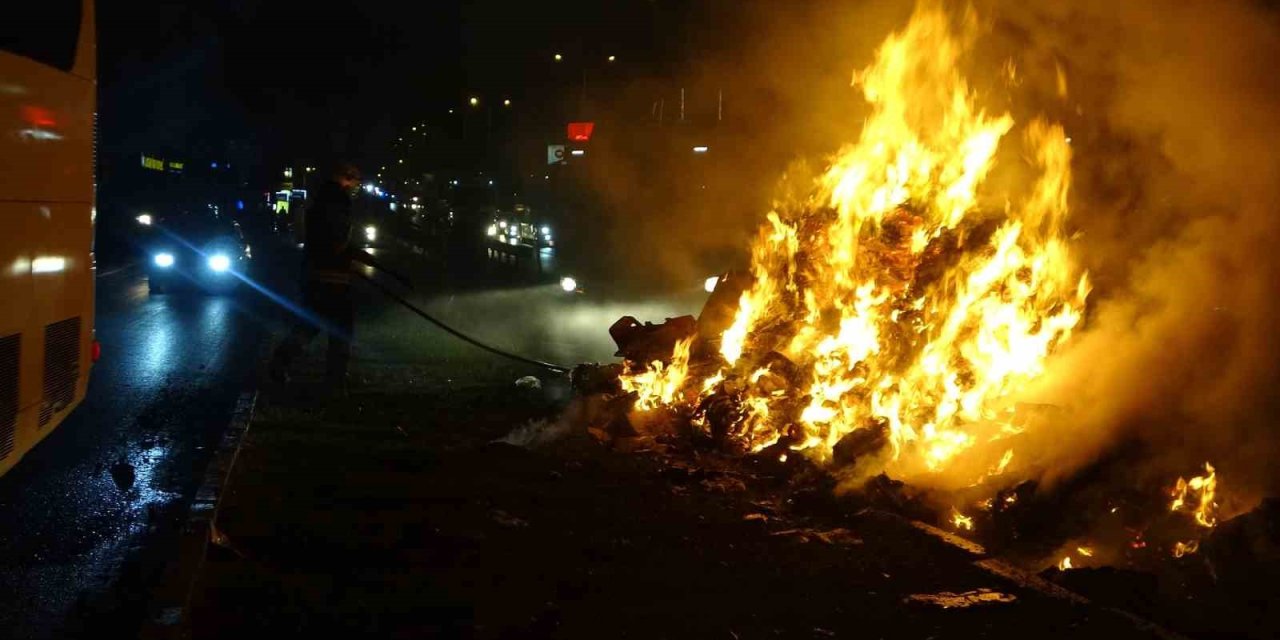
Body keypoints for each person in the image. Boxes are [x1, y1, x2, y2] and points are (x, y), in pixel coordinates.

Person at [269, 162, 367, 390]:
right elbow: (336, 240)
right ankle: (335, 380)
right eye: (355, 180)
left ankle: (280, 363)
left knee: (310, 325)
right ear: (346, 178)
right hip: (332, 276)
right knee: (341, 330)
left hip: (316, 272)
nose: (356, 185)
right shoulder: (338, 201)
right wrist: (353, 254)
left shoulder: (321, 197)